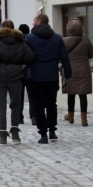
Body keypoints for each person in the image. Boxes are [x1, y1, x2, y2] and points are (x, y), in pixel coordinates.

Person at [0, 19, 35, 144]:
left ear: (1, 28)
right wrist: (20, 64)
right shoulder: (20, 42)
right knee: (16, 104)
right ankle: (15, 133)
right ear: (13, 28)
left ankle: (2, 136)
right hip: (16, 77)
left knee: (0, 106)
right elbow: (31, 57)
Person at [24, 13, 72, 144]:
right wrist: (68, 72)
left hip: (35, 76)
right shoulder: (57, 38)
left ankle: (43, 134)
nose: (33, 23)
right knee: (51, 104)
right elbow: (64, 56)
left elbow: (25, 57)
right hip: (52, 76)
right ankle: (52, 131)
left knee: (38, 106)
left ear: (39, 22)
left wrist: (24, 70)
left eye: (34, 21)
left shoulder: (29, 38)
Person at [61, 18, 93, 126]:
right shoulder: (86, 41)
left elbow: (60, 55)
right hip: (83, 70)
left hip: (69, 70)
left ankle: (70, 115)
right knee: (82, 94)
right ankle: (83, 118)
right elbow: (91, 54)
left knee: (71, 94)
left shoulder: (64, 41)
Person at [17, 23, 36, 128]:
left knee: (19, 96)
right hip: (30, 70)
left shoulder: (17, 41)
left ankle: (20, 117)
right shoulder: (32, 40)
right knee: (32, 95)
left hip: (19, 71)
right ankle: (33, 116)